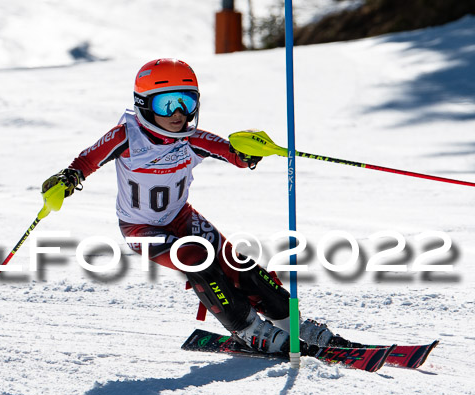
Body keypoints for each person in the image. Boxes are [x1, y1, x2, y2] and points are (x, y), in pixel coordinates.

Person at [42, 58, 348, 353]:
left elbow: (232, 154)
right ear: (144, 104)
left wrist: (249, 151)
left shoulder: (190, 138)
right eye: (166, 103)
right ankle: (248, 330)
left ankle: (291, 324)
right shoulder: (127, 135)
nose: (178, 113)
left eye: (186, 102)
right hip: (140, 229)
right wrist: (67, 179)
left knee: (238, 263)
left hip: (181, 217)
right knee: (196, 258)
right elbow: (86, 160)